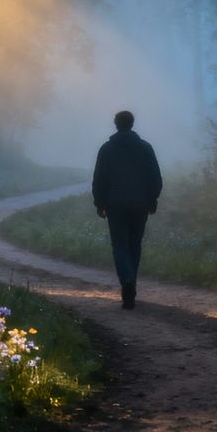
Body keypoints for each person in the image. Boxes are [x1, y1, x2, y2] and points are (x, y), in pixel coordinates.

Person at [91, 110, 162, 309]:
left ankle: (127, 281)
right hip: (140, 204)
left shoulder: (107, 149)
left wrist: (99, 202)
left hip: (115, 205)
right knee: (135, 245)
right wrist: (152, 199)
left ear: (116, 124)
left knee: (120, 245)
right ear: (132, 124)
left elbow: (100, 179)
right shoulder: (145, 148)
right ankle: (131, 280)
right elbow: (155, 177)